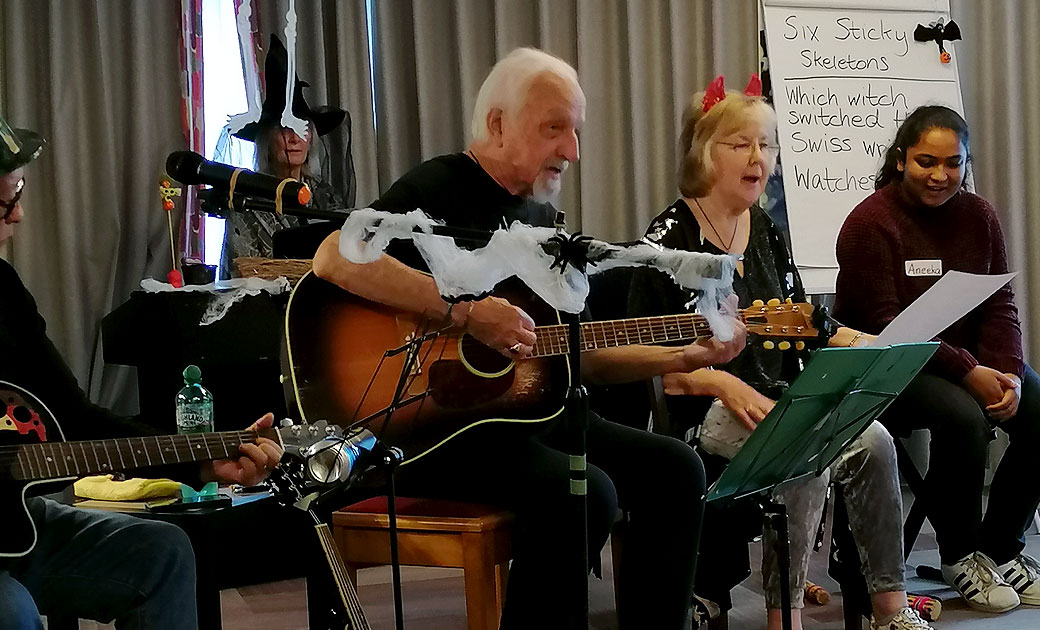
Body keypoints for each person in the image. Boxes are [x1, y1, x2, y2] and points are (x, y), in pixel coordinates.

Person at [0, 8, 281, 629]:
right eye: (6, 200)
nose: (18, 217)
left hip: (2, 524)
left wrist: (199, 458)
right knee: (5, 611)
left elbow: (73, 421)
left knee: (161, 553)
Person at [312, 47, 748, 630]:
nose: (572, 151)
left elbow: (575, 356)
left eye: (574, 131)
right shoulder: (441, 185)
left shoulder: (542, 221)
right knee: (579, 491)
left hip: (527, 419)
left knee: (676, 467)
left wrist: (685, 353)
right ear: (497, 124)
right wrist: (462, 313)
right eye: (554, 129)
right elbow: (334, 258)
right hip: (432, 428)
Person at [626, 77, 931, 630]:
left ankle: (891, 609)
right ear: (703, 150)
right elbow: (657, 364)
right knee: (804, 453)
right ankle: (783, 616)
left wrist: (856, 342)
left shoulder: (765, 228)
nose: (758, 158)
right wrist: (721, 382)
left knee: (877, 440)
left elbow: (803, 319)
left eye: (766, 145)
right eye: (740, 143)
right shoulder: (668, 240)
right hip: (705, 414)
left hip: (782, 399)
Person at [835, 105, 1040, 614]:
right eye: (927, 161)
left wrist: (1008, 372)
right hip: (887, 363)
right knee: (963, 416)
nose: (940, 175)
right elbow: (889, 325)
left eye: (954, 163)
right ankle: (959, 555)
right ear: (902, 159)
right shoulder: (869, 223)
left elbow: (999, 304)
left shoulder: (979, 215)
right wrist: (969, 372)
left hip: (964, 360)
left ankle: (999, 548)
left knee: (1037, 406)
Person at [217, 35, 352, 269]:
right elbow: (242, 271)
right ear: (267, 140)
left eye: (302, 128)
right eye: (284, 128)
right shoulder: (247, 201)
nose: (294, 138)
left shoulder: (326, 196)